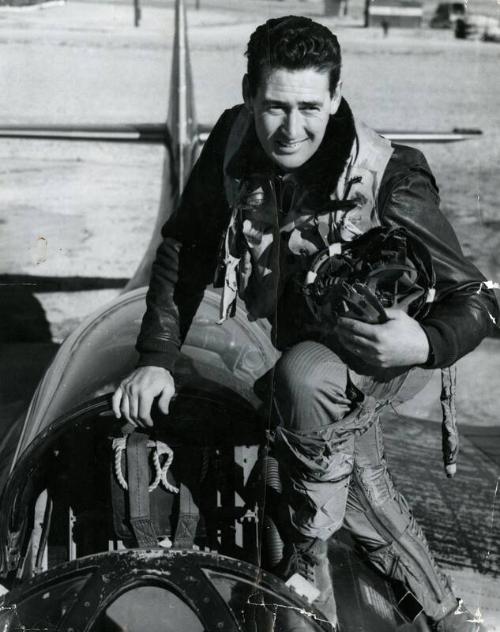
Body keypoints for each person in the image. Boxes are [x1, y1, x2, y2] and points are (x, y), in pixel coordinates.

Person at [112, 16, 498, 631]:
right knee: (292, 445)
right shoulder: (235, 140)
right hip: (281, 332)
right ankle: (443, 616)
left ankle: (304, 588)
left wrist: (424, 340)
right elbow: (186, 244)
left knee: (305, 381)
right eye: (275, 107)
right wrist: (156, 355)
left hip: (373, 351)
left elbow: (476, 297)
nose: (293, 129)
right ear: (247, 94)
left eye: (311, 108)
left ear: (336, 97)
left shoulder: (391, 179)